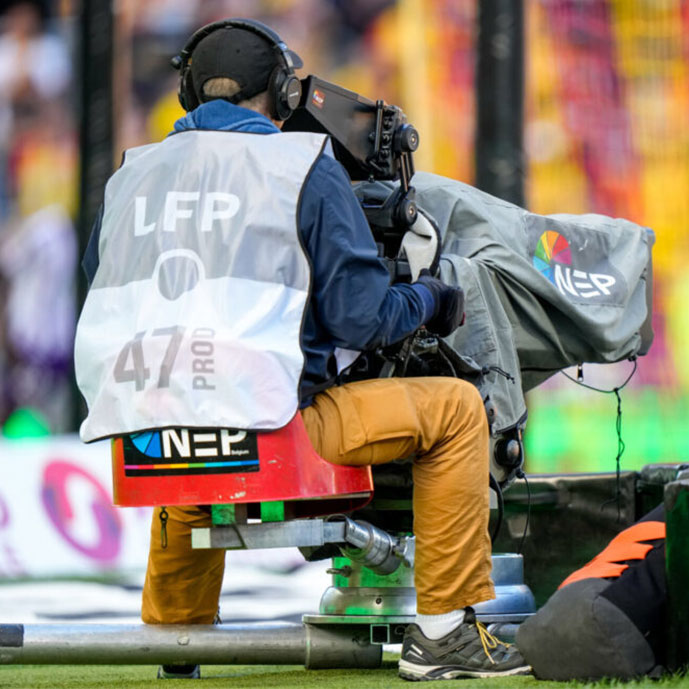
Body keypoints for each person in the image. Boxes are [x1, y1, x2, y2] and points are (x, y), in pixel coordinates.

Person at [76, 18, 529, 681]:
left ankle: (173, 645)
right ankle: (444, 634)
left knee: (192, 407)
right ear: (286, 94)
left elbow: (106, 291)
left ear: (186, 92)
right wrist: (432, 298)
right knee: (457, 409)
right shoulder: (302, 167)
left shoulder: (129, 178)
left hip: (150, 436)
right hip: (277, 431)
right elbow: (365, 318)